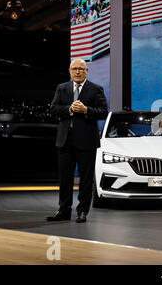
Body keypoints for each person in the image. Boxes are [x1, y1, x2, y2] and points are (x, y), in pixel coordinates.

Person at [47, 59, 108, 223]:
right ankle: (64, 210)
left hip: (87, 141)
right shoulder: (62, 88)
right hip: (64, 140)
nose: (78, 71)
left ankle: (82, 212)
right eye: (74, 68)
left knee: (86, 178)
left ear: (87, 71)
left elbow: (103, 112)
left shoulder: (96, 89)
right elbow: (53, 109)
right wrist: (69, 109)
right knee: (65, 178)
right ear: (69, 71)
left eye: (81, 68)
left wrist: (86, 110)